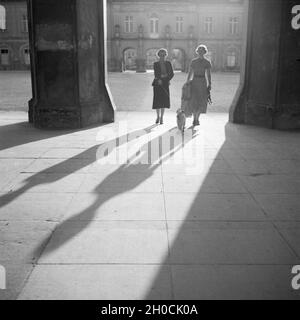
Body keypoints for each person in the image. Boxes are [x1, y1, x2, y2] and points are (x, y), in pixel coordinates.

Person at [186, 44, 212, 126]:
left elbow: (208, 74)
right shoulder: (193, 61)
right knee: (194, 101)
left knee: (201, 100)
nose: (201, 53)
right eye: (199, 51)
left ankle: (197, 118)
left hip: (202, 82)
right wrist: (187, 82)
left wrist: (210, 83)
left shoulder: (207, 62)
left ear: (204, 52)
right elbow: (190, 72)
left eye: (202, 51)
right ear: (197, 52)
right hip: (195, 81)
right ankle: (195, 118)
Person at [152, 48, 174, 124]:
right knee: (157, 101)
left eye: (164, 55)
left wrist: (166, 79)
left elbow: (171, 74)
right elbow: (156, 74)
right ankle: (157, 116)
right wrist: (159, 79)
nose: (162, 56)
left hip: (165, 83)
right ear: (158, 55)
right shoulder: (155, 64)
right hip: (157, 83)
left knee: (164, 101)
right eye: (161, 55)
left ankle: (162, 118)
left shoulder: (168, 63)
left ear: (166, 55)